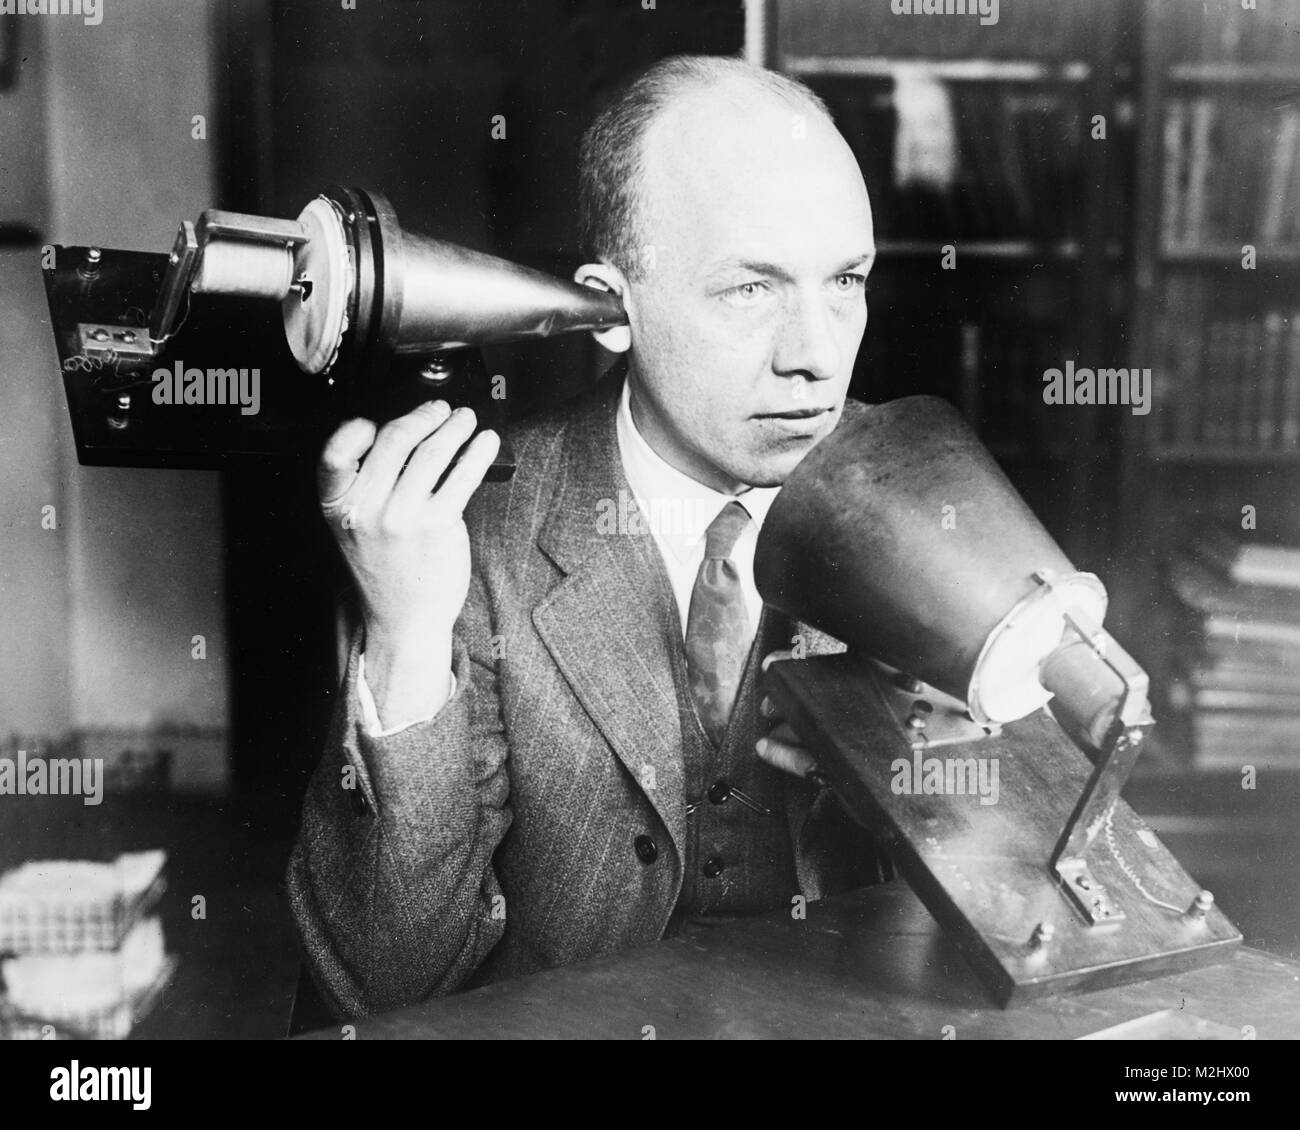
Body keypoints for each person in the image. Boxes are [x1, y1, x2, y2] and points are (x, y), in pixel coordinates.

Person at [288, 54, 892, 1020]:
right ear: (612, 308)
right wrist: (403, 638)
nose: (815, 356)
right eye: (750, 290)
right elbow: (385, 983)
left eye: (848, 280)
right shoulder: (472, 528)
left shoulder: (920, 495)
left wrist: (958, 792)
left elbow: (1059, 920)